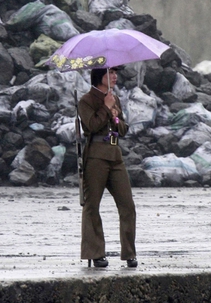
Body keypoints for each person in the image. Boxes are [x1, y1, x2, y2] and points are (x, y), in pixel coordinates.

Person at [77, 67, 137, 268]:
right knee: (92, 205)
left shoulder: (115, 99)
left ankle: (129, 253)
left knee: (127, 205)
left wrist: (115, 115)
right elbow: (91, 125)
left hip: (115, 154)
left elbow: (123, 130)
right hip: (95, 156)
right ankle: (95, 253)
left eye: (115, 73)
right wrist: (105, 108)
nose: (114, 76)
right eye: (110, 73)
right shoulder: (86, 100)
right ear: (99, 77)